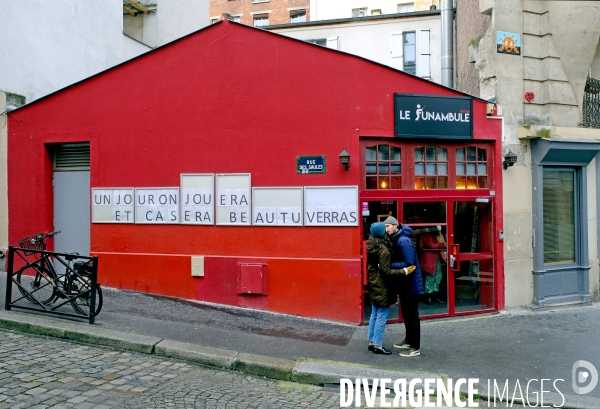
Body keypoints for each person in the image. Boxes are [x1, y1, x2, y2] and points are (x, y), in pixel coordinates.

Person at [384, 216, 423, 357]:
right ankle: (408, 340)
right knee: (407, 314)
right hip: (406, 284)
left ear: (395, 226)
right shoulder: (398, 238)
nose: (386, 229)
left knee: (412, 315)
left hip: (411, 284)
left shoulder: (403, 240)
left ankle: (415, 347)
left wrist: (389, 265)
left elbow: (409, 262)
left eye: (388, 226)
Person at [365, 222, 395, 355]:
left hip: (374, 284)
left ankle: (371, 342)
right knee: (381, 316)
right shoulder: (384, 250)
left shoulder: (371, 246)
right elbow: (386, 272)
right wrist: (404, 271)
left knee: (374, 314)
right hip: (382, 286)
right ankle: (378, 344)